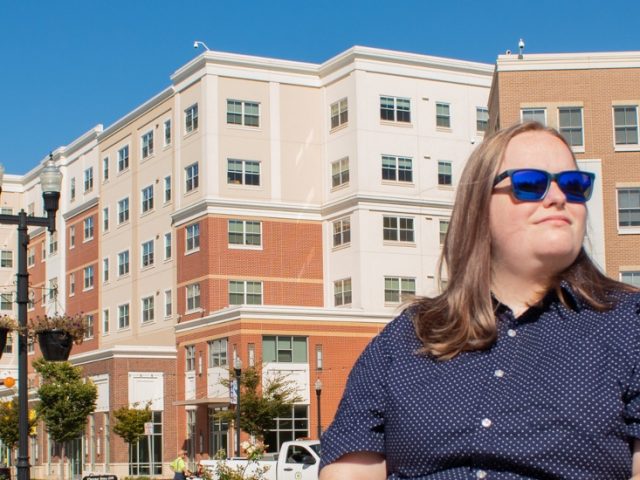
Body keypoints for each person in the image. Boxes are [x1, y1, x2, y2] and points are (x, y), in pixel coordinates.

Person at [319, 122, 640, 480]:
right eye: (530, 183)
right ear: (478, 207)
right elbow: (350, 470)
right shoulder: (408, 337)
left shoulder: (630, 325)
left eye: (573, 185)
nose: (557, 197)